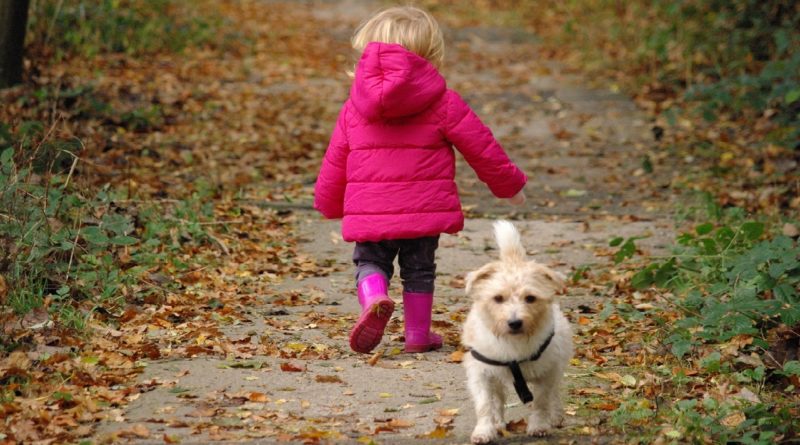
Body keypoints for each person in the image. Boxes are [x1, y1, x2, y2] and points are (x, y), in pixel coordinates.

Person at [313, 6, 526, 354]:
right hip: (422, 212)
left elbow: (336, 158)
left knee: (369, 261)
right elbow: (482, 148)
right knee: (419, 270)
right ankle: (417, 336)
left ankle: (374, 297)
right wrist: (510, 186)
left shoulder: (355, 107)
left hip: (370, 210)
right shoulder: (442, 101)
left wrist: (327, 202)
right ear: (430, 54)